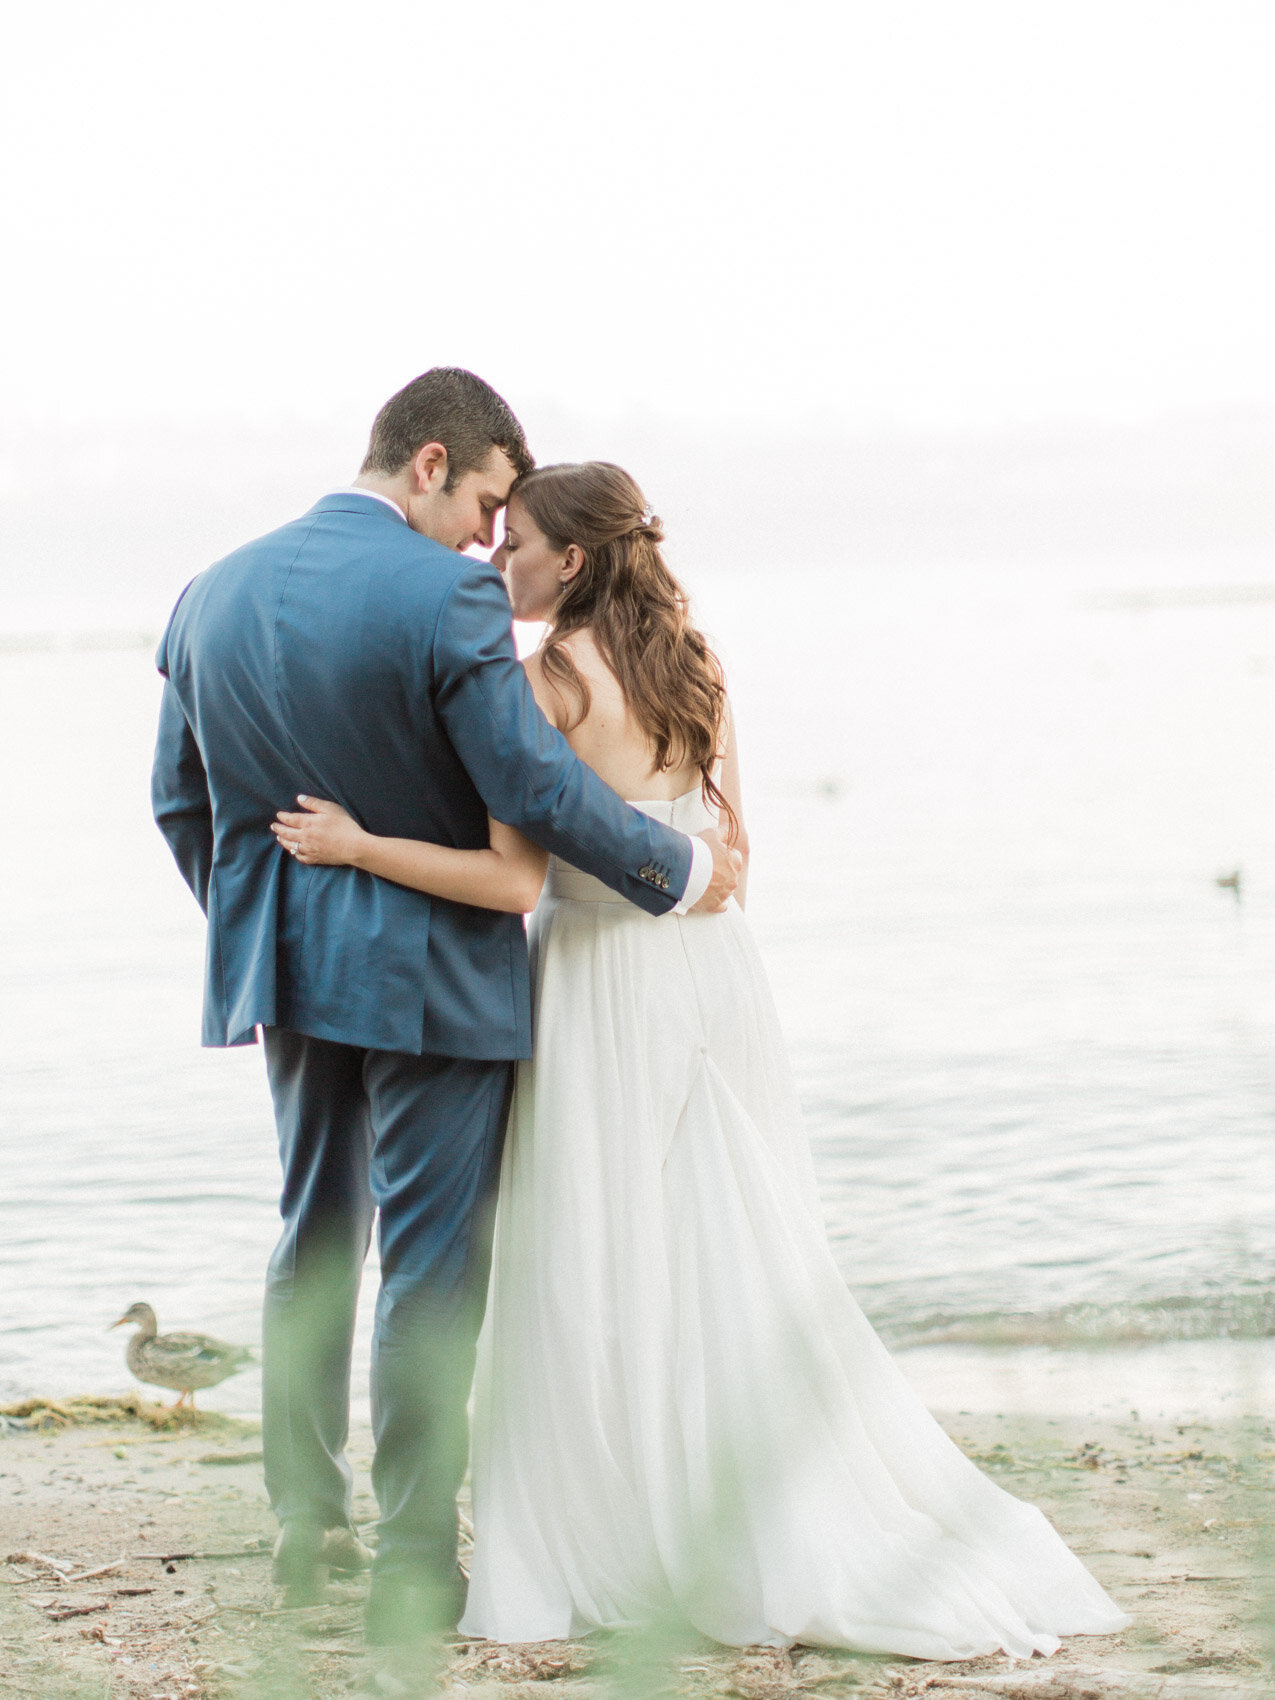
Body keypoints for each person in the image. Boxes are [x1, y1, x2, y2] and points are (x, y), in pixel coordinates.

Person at [273, 461, 1131, 1658]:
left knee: (593, 1254)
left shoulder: (546, 680)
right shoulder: (699, 665)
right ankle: (738, 1492)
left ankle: (626, 1519)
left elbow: (511, 881)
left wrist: (361, 845)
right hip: (712, 970)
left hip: (600, 983)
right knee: (723, 1236)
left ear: (571, 560)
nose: (493, 560)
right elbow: (730, 856)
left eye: (514, 541)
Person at [150, 374, 741, 1646]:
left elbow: (178, 801)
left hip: (289, 979)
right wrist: (675, 867)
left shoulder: (210, 590)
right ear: (431, 461)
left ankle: (304, 1515)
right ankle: (417, 1555)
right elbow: (529, 777)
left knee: (312, 1233)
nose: (487, 538)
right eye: (482, 503)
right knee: (428, 1262)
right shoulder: (447, 594)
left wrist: (259, 927)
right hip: (438, 979)